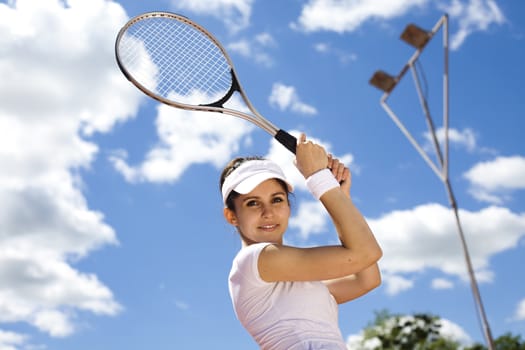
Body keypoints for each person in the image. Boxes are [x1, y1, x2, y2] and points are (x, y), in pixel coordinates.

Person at [219, 133, 382, 350]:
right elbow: (364, 254)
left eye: (277, 199)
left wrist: (341, 197)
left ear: (288, 206)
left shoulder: (304, 284)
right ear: (232, 216)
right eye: (252, 203)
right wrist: (318, 178)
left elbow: (367, 279)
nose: (268, 212)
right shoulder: (254, 260)